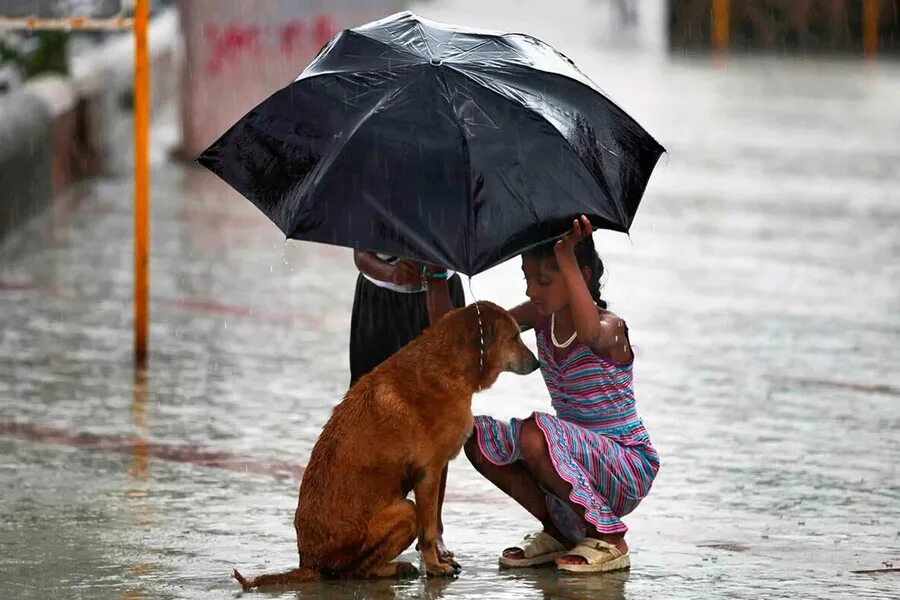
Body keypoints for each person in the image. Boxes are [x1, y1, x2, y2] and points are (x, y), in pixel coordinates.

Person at [464, 215, 659, 573]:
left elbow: (589, 333)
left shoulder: (609, 327)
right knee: (473, 435)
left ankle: (609, 536)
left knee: (536, 434)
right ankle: (560, 530)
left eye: (543, 281)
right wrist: (435, 276)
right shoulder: (542, 317)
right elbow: (477, 332)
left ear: (579, 276)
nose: (531, 291)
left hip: (626, 465)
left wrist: (565, 251)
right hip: (569, 461)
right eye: (527, 279)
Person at [349, 250, 467, 558]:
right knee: (372, 418)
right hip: (380, 300)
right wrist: (390, 273)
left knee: (439, 420)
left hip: (441, 291)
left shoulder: (451, 202)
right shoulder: (373, 199)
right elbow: (360, 254)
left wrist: (437, 269)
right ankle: (373, 522)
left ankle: (433, 528)